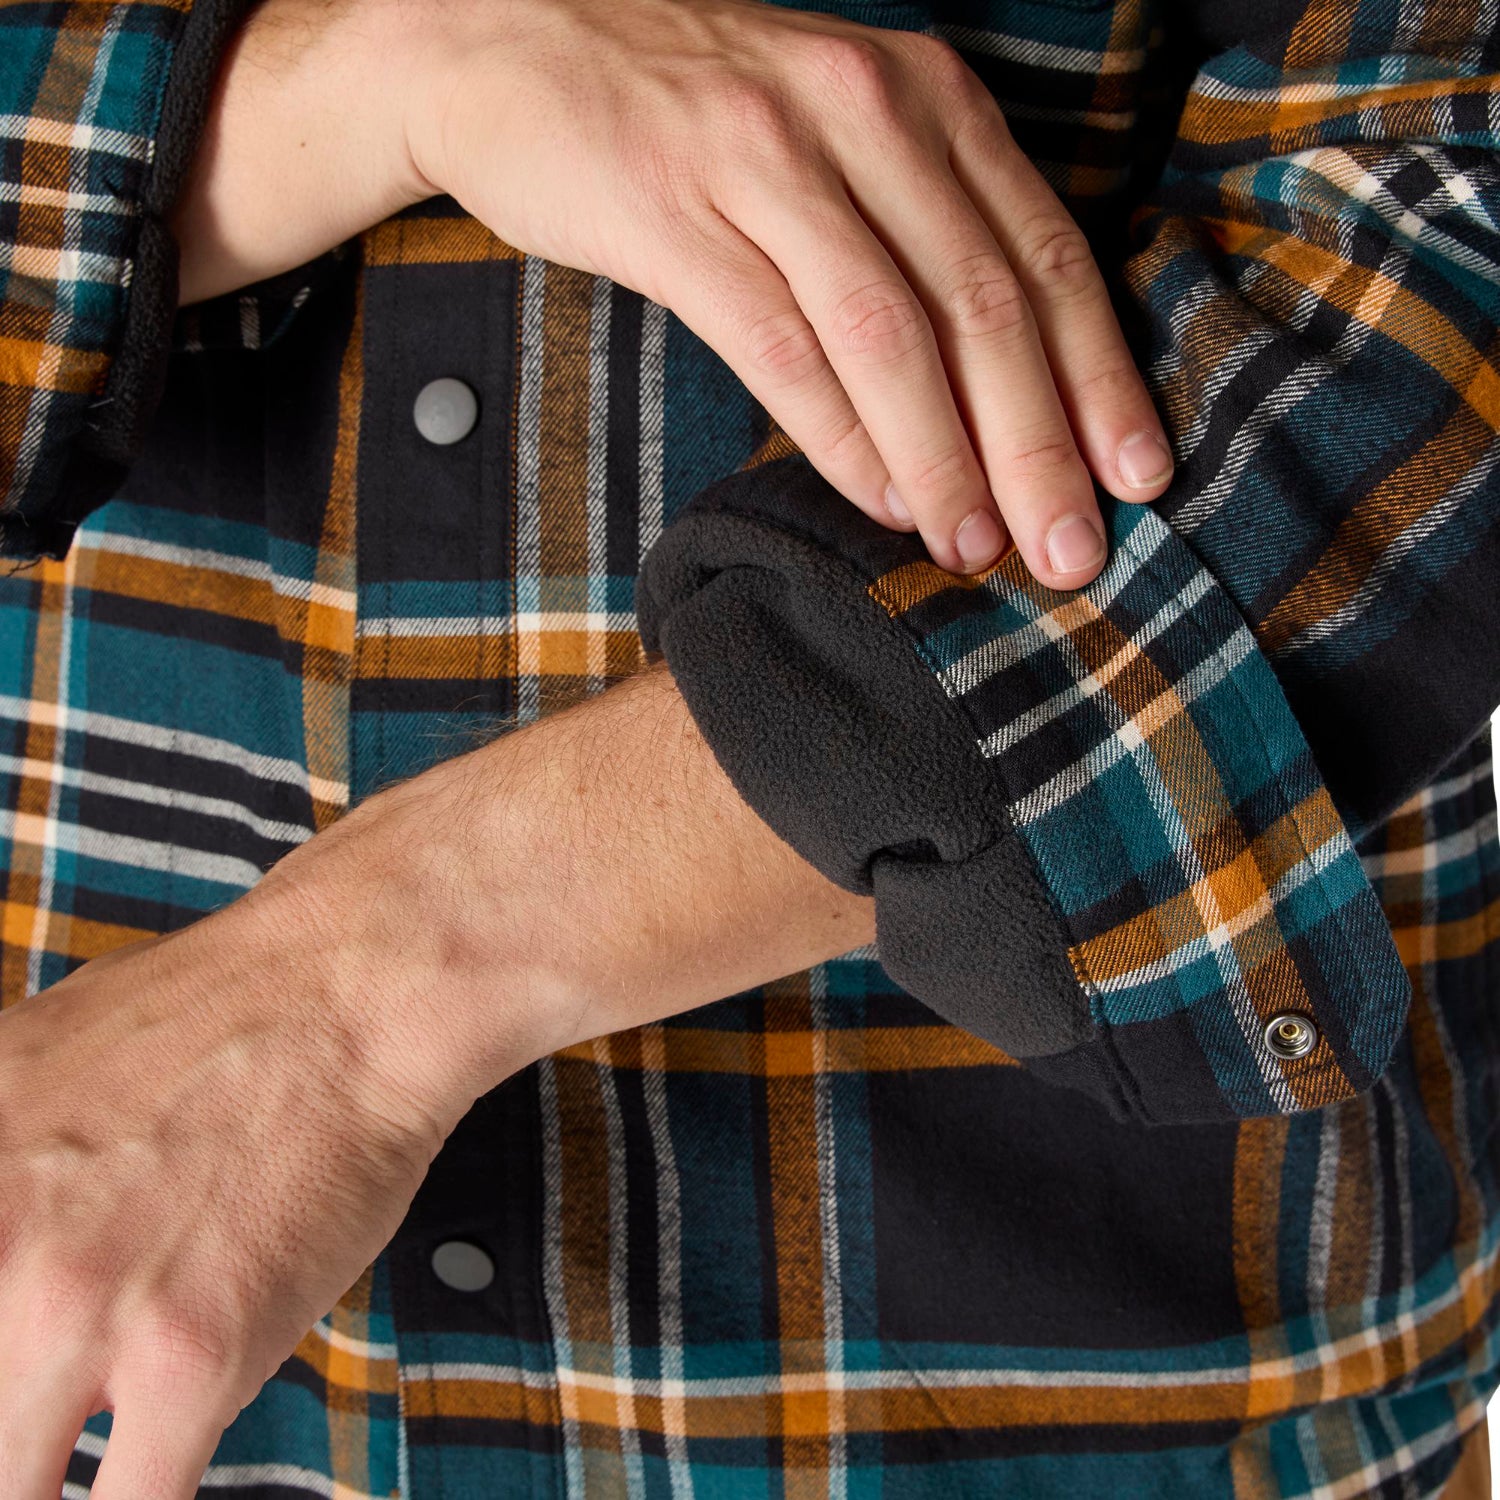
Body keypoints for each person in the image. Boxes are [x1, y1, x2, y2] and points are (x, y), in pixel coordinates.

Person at [0, 0, 1496, 1495]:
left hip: (1063, 1383)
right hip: (85, 1287)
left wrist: (357, 987)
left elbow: (1432, 287)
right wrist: (361, 82)